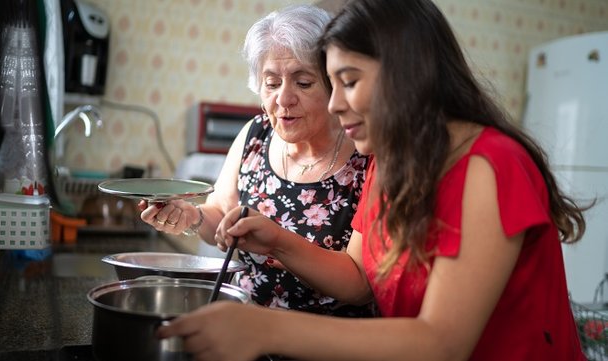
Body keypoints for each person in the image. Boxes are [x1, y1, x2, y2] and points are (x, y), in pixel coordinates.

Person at [155, 0, 590, 360]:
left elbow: (442, 343)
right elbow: (361, 279)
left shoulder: (491, 166)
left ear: (406, 75)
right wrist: (270, 241)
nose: (335, 103)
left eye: (347, 81)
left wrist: (265, 329)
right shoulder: (391, 160)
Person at [139, 4, 373, 317]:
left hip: (328, 340)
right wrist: (192, 217)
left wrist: (278, 242)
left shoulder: (365, 152)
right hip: (247, 328)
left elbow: (359, 286)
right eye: (272, 83)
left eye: (303, 83)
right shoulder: (255, 135)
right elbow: (221, 215)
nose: (284, 99)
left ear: (333, 83)